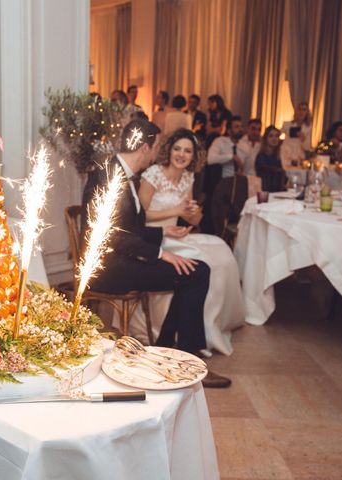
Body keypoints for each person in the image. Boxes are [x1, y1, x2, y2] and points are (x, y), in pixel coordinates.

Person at [82, 118, 231, 388]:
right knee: (196, 273)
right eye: (157, 146)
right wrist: (161, 254)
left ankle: (169, 349)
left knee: (194, 271)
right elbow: (113, 236)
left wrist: (163, 234)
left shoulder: (124, 174)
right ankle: (186, 356)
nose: (157, 153)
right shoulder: (107, 177)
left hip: (124, 258)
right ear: (144, 147)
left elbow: (132, 230)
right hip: (108, 268)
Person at [138, 128, 244, 355]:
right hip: (154, 237)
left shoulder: (188, 176)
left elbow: (191, 217)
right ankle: (191, 337)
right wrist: (175, 210)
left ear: (193, 156)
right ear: (169, 150)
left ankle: (214, 326)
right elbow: (140, 215)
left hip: (177, 234)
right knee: (204, 261)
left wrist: (193, 213)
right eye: (177, 149)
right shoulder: (153, 174)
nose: (181, 155)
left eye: (187, 151)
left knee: (223, 252)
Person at [255, 125, 285, 192]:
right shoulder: (261, 157)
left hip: (276, 192)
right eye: (271, 136)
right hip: (265, 193)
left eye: (277, 136)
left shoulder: (276, 156)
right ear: (265, 139)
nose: (274, 139)